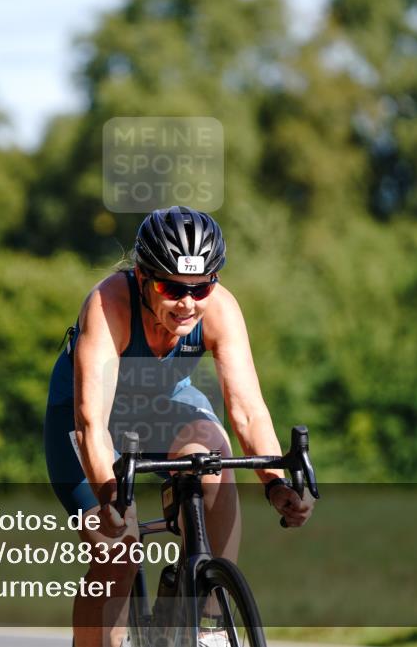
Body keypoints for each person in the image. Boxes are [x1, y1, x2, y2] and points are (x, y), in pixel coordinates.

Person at [44, 206, 314, 647]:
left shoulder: (220, 309)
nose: (188, 303)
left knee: (213, 454)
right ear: (143, 277)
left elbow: (247, 409)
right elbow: (92, 423)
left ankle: (207, 624)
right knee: (118, 551)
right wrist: (112, 499)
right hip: (88, 419)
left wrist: (275, 482)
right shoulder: (108, 304)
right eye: (171, 288)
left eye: (201, 287)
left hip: (163, 406)